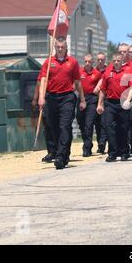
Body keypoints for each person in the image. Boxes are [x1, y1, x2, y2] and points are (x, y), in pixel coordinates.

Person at [38, 37, 86, 170]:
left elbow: (77, 82)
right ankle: (64, 154)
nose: (60, 49)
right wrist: (41, 97)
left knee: (64, 126)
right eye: (58, 47)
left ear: (66, 48)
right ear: (55, 48)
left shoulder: (73, 62)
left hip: (67, 98)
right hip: (51, 98)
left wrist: (82, 99)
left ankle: (60, 156)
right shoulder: (48, 62)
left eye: (62, 47)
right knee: (54, 128)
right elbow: (42, 80)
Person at [97, 52, 132, 162]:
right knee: (109, 128)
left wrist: (129, 100)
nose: (116, 63)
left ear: (122, 60)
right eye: (114, 61)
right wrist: (100, 104)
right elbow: (103, 90)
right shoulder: (107, 73)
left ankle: (124, 152)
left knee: (123, 128)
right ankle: (112, 153)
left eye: (118, 60)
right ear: (112, 61)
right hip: (110, 103)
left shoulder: (128, 72)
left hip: (123, 103)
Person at [76, 53, 101, 157]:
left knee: (88, 124)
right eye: (85, 61)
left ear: (92, 62)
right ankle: (87, 142)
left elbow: (102, 80)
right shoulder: (79, 72)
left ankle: (87, 148)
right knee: (81, 123)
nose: (87, 63)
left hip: (92, 99)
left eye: (89, 62)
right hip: (81, 98)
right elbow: (75, 82)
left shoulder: (97, 73)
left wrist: (98, 86)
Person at [32, 78, 56, 163]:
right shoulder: (44, 72)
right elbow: (38, 85)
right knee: (47, 126)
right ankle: (51, 152)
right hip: (45, 100)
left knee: (56, 126)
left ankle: (61, 151)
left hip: (56, 97)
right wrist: (35, 99)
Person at [94, 52, 108, 154]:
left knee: (104, 122)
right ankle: (100, 144)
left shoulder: (109, 70)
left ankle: (102, 143)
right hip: (94, 99)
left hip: (106, 99)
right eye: (98, 59)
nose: (100, 61)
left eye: (102, 60)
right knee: (97, 123)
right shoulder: (93, 71)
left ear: (105, 60)